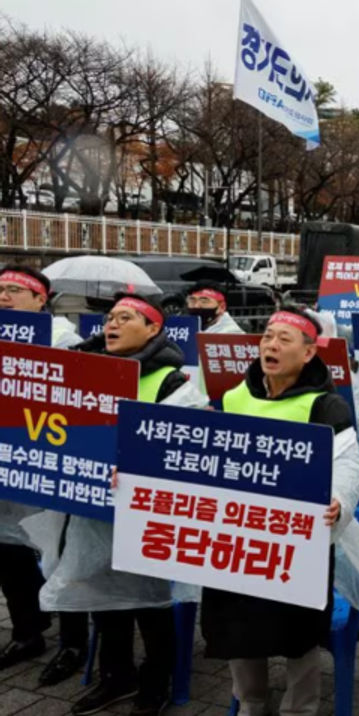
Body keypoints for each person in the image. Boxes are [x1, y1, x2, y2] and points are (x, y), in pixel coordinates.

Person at [38, 293, 208, 716]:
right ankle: (116, 678)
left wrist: (129, 467)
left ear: (153, 329)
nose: (111, 325)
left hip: (144, 516)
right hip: (92, 510)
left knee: (149, 605)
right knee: (104, 597)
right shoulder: (83, 370)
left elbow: (186, 452)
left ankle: (157, 682)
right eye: (109, 318)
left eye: (125, 318)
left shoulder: (173, 383)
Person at [200, 307, 359, 716]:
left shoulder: (327, 407)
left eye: (283, 340)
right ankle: (252, 700)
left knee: (299, 635)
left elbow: (350, 467)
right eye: (266, 337)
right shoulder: (234, 397)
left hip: (297, 543)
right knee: (236, 626)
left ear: (309, 353)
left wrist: (339, 500)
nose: (270, 346)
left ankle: (300, 708)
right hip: (236, 538)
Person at [0, 266, 88, 687]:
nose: (4, 297)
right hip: (6, 461)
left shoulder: (66, 340)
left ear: (40, 299)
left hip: (50, 465)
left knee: (59, 553)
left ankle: (73, 642)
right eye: (0, 290)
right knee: (7, 549)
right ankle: (28, 630)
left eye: (14, 290)